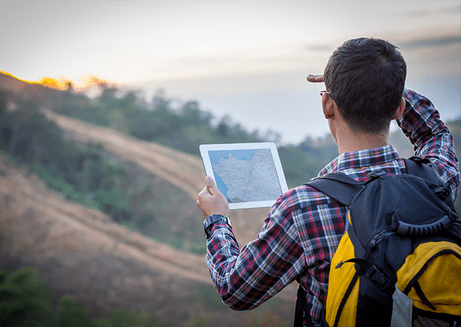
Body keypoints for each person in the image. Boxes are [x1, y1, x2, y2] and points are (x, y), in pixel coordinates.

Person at [196, 37, 460, 325]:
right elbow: (435, 134)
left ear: (327, 105)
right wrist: (382, 86)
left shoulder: (302, 208)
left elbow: (236, 290)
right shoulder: (434, 179)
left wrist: (217, 220)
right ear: (398, 108)